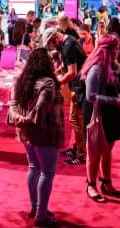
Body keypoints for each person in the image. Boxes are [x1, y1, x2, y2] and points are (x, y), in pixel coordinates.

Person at [9, 49, 65, 228]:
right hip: (45, 131)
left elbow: (14, 104)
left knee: (33, 167)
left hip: (27, 132)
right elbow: (41, 108)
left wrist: (22, 120)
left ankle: (36, 207)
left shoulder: (24, 80)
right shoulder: (48, 83)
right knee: (46, 172)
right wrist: (29, 119)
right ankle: (41, 215)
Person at [81, 34, 120, 203]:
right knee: (95, 151)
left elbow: (117, 86)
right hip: (96, 113)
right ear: (108, 50)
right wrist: (115, 100)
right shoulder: (97, 68)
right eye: (115, 48)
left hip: (110, 112)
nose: (118, 51)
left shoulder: (112, 66)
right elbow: (90, 96)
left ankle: (106, 182)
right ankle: (91, 185)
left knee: (107, 149)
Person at [44, 27, 87, 166]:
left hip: (79, 85)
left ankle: (81, 154)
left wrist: (56, 82)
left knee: (75, 119)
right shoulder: (67, 41)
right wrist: (56, 71)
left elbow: (72, 72)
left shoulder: (68, 46)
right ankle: (76, 148)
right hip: (77, 84)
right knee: (76, 119)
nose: (51, 46)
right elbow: (66, 64)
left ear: (55, 37)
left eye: (51, 42)